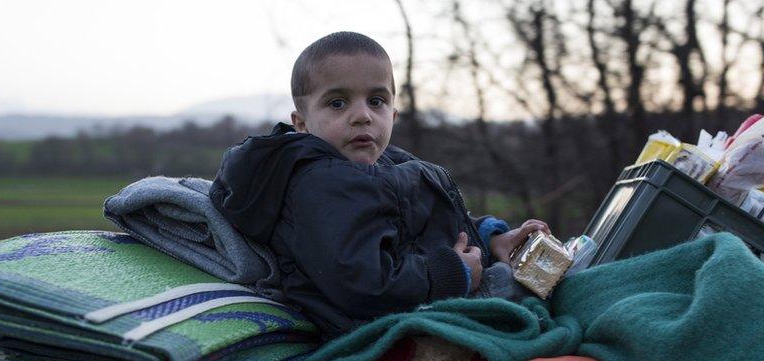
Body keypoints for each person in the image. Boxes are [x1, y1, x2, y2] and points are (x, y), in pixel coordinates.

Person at [211, 32, 547, 339]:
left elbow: (427, 225)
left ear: (393, 114)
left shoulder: (384, 163)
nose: (362, 116)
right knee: (529, 297)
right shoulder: (319, 184)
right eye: (338, 103)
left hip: (420, 299)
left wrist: (491, 238)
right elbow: (362, 284)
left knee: (539, 277)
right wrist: (451, 273)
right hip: (371, 326)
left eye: (376, 101)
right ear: (301, 123)